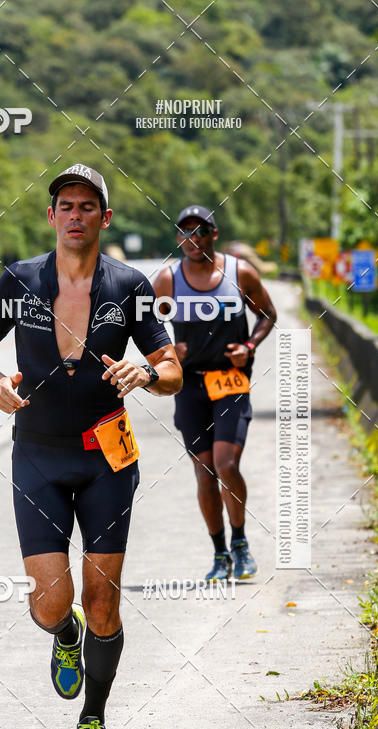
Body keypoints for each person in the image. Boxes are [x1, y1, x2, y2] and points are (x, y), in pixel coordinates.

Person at [0, 164, 182, 729]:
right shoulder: (20, 279)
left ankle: (94, 718)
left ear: (104, 218)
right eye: (66, 205)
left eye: (88, 206)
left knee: (104, 599)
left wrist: (148, 372)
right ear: (52, 215)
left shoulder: (130, 285)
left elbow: (172, 368)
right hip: (37, 456)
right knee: (52, 602)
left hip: (106, 459)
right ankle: (66, 633)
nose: (76, 216)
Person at [152, 205, 277, 581]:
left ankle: (240, 543)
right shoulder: (168, 279)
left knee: (226, 464)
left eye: (201, 232)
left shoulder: (240, 272)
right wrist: (167, 352)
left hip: (229, 382)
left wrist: (249, 347)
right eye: (186, 233)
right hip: (189, 385)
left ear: (214, 234)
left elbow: (267, 314)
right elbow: (142, 323)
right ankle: (220, 553)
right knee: (204, 472)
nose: (193, 240)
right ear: (178, 238)